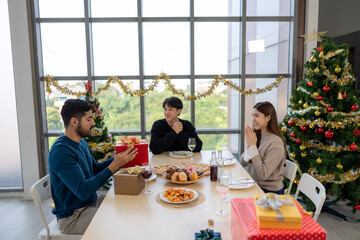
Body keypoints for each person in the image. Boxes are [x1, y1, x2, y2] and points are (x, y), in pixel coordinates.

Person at [48, 99, 138, 234]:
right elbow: (83, 190)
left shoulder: (80, 142)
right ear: (74, 122)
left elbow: (94, 169)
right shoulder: (61, 151)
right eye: (89, 119)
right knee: (121, 223)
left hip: (89, 202)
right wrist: (114, 166)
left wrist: (119, 160)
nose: (93, 123)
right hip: (73, 217)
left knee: (127, 204)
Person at [240, 101, 287, 194]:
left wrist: (253, 147)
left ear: (268, 118)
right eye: (252, 115)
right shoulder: (258, 136)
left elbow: (263, 175)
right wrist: (250, 146)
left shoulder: (276, 142)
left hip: (270, 192)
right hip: (255, 185)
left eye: (257, 116)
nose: (253, 119)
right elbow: (242, 162)